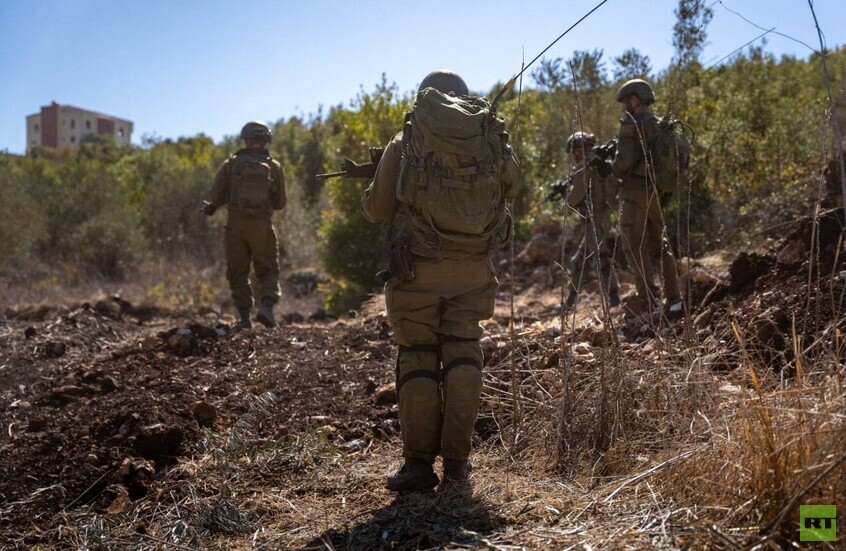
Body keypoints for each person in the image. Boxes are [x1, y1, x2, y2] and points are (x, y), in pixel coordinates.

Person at [362, 70, 523, 491]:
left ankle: (417, 466)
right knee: (463, 354)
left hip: (417, 268)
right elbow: (515, 186)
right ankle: (457, 465)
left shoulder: (408, 140)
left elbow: (377, 210)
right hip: (473, 270)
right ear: (465, 98)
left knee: (417, 355)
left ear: (425, 97)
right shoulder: (490, 136)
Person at [203, 121, 286, 330]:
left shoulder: (231, 164)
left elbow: (216, 195)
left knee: (238, 271)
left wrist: (214, 206)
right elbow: (280, 203)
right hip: (262, 225)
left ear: (246, 139)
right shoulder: (274, 167)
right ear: (266, 140)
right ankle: (266, 308)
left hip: (236, 225)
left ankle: (244, 318)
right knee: (267, 269)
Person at [611, 79, 682, 317]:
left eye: (625, 102)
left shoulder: (630, 125)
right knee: (660, 245)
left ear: (634, 100)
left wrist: (610, 169)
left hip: (633, 193)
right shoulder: (661, 126)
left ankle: (649, 300)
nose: (624, 108)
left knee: (634, 246)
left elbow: (624, 163)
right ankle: (674, 300)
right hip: (656, 192)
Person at [561, 131, 620, 310]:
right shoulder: (600, 163)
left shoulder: (584, 167)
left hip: (593, 219)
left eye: (575, 152)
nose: (574, 156)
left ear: (578, 150)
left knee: (601, 258)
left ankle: (614, 297)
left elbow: (574, 198)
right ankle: (571, 300)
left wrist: (566, 194)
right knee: (578, 261)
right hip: (601, 217)